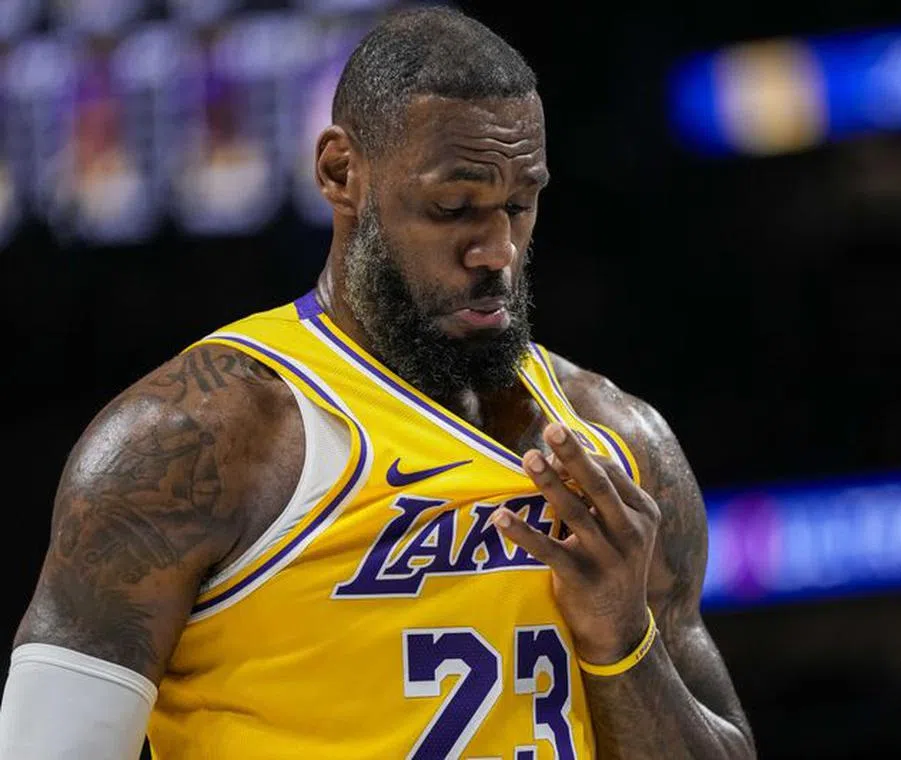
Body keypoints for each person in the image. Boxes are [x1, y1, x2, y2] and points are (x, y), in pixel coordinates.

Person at [0, 7, 756, 759]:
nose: (497, 251)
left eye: (520, 205)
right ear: (340, 173)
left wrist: (625, 643)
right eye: (452, 208)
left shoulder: (618, 444)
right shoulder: (190, 442)